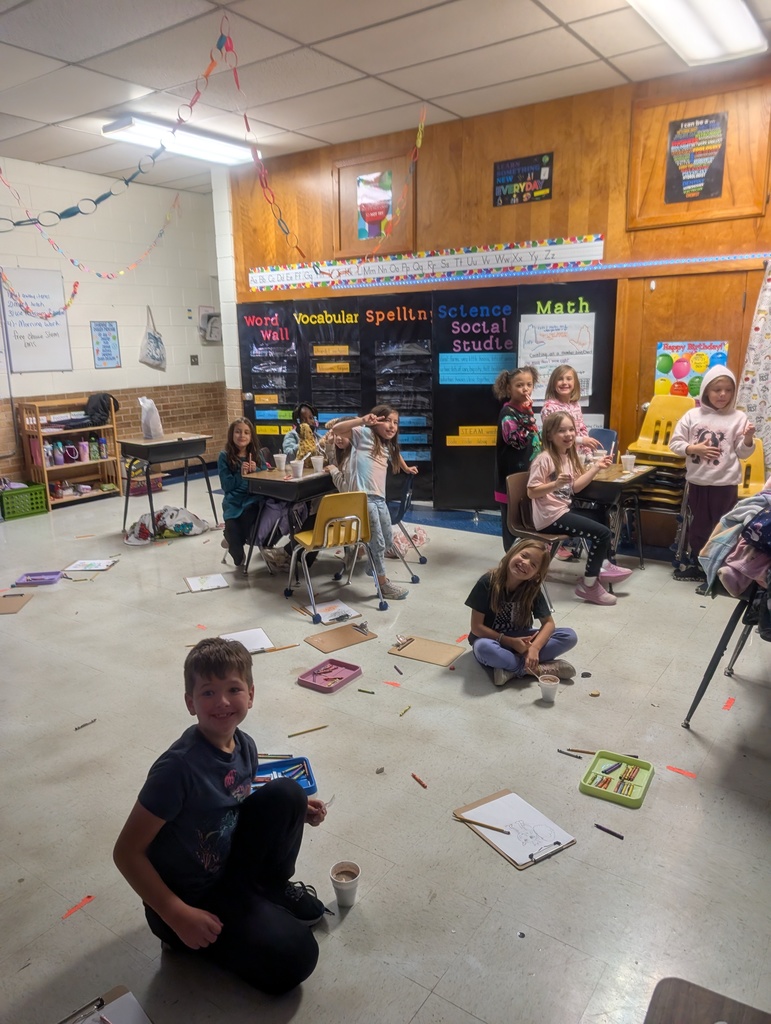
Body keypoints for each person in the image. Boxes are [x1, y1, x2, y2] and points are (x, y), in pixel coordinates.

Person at [113, 638, 328, 995]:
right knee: (297, 957)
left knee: (289, 792)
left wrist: (294, 810)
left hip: (225, 865)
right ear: (189, 702)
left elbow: (231, 801)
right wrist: (176, 914)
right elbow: (126, 852)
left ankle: (268, 890)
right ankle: (190, 935)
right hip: (187, 898)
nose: (223, 702)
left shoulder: (244, 745)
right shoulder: (176, 769)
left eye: (233, 689)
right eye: (208, 692)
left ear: (251, 694)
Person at [527, 412, 633, 606]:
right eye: (561, 430)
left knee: (601, 513)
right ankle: (589, 585)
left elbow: (574, 487)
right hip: (549, 518)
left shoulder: (567, 456)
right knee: (601, 534)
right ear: (549, 435)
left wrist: (596, 468)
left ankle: (603, 564)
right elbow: (532, 492)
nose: (568, 434)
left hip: (562, 511)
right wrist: (555, 485)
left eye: (571, 429)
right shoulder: (544, 459)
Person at [669, 366, 756, 584]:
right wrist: (693, 448)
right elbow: (675, 443)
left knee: (722, 528)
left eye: (728, 390)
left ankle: (719, 573)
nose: (723, 395)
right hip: (698, 482)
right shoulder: (692, 415)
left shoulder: (738, 417)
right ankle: (699, 566)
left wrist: (747, 439)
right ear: (706, 391)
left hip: (725, 484)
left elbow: (744, 453)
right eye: (717, 389)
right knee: (699, 526)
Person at [330, 404, 417, 601]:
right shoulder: (363, 434)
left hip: (379, 498)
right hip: (362, 498)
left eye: (396, 422)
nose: (392, 426)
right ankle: (383, 583)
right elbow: (336, 429)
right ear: (375, 420)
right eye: (387, 420)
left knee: (387, 540)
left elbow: (396, 454)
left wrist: (405, 468)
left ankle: (372, 566)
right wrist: (363, 420)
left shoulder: (386, 444)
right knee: (377, 541)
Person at [465, 539, 578, 687]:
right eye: (524, 556)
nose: (525, 563)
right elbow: (477, 628)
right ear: (512, 553)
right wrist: (510, 642)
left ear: (536, 575)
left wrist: (534, 649)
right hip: (492, 640)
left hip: (524, 640)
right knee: (484, 648)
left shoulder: (532, 588)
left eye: (533, 565)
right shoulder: (487, 582)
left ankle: (511, 669)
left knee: (569, 636)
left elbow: (549, 624)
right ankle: (536, 669)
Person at [540, 364, 601, 561]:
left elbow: (580, 429)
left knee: (573, 496)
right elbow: (557, 437)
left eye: (569, 379)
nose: (565, 383)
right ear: (553, 383)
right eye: (560, 379)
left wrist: (588, 452)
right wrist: (582, 440)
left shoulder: (575, 405)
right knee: (559, 497)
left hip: (576, 459)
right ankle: (551, 544)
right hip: (558, 459)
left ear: (575, 383)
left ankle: (567, 541)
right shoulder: (550, 407)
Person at [493, 365, 541, 552]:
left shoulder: (525, 411)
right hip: (510, 480)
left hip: (528, 476)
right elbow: (517, 441)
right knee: (512, 524)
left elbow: (534, 438)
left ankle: (528, 558)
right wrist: (529, 417)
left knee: (526, 521)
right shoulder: (508, 413)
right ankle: (512, 560)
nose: (525, 389)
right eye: (519, 385)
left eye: (529, 384)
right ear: (508, 388)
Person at [217, 418, 274, 569]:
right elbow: (227, 486)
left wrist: (257, 471)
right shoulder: (224, 456)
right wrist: (241, 475)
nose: (242, 435)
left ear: (251, 437)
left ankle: (230, 539)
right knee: (237, 557)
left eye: (246, 433)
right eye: (238, 432)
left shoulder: (256, 455)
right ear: (232, 435)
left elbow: (265, 478)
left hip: (252, 501)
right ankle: (231, 540)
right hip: (233, 503)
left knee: (243, 523)